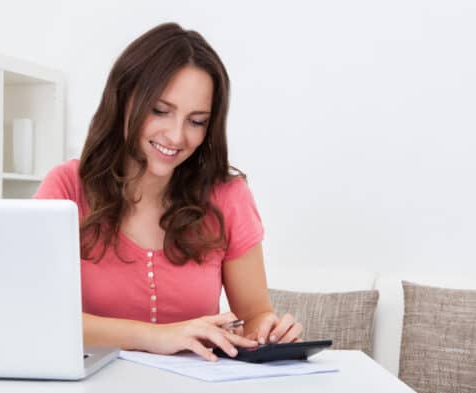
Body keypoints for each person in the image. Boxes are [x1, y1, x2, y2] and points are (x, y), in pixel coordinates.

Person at [34, 22, 302, 361]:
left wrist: (269, 329)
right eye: (160, 111)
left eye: (196, 121)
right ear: (124, 99)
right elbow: (39, 316)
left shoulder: (227, 195)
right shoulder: (67, 188)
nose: (176, 136)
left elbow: (254, 315)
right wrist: (156, 336)